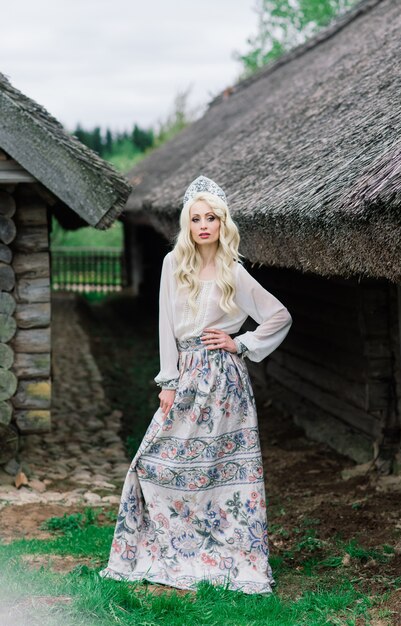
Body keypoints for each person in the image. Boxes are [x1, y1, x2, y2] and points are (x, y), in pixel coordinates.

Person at [99, 175, 292, 595]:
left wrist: (238, 342)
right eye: (196, 218)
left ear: (222, 223)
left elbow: (279, 316)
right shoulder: (174, 264)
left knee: (218, 470)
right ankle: (174, 547)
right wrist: (167, 381)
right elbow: (166, 327)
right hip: (185, 377)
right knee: (153, 463)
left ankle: (225, 554)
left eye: (211, 218)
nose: (203, 225)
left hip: (225, 385)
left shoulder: (234, 273)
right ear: (187, 224)